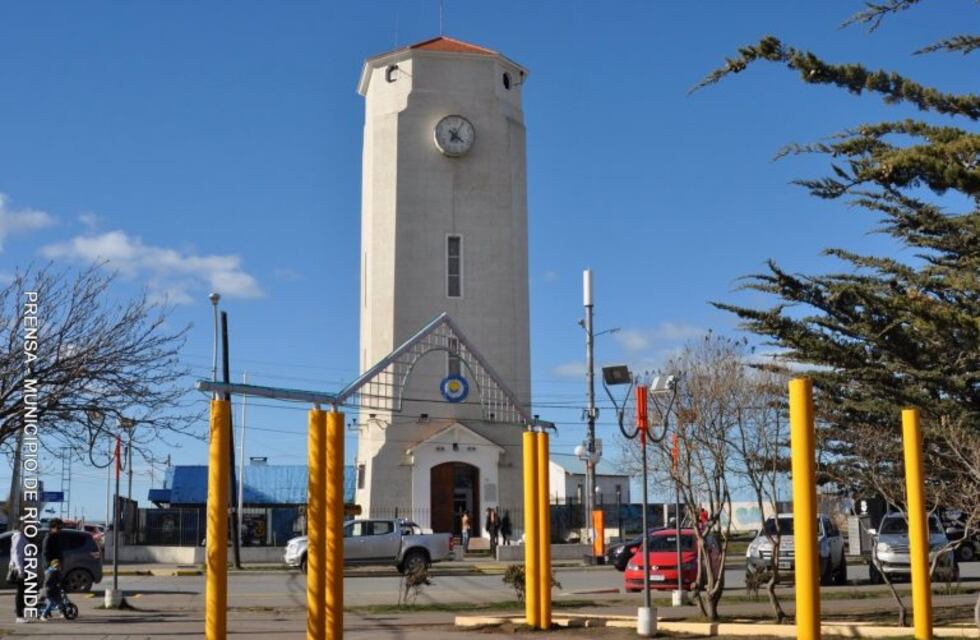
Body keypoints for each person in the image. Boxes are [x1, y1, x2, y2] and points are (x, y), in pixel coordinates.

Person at [9, 525, 30, 624]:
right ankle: (19, 615)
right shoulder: (19, 537)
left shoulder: (21, 536)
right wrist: (20, 570)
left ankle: (19, 609)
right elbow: (16, 554)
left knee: (29, 589)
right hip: (21, 569)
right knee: (21, 592)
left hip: (23, 568)